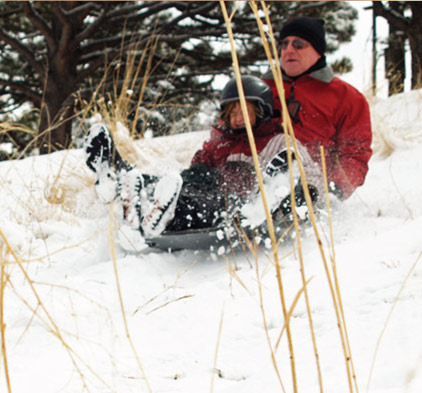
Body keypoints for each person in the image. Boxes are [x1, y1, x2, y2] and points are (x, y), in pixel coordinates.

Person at [85, 75, 323, 239]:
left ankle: (267, 200)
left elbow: (312, 177)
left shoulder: (280, 142)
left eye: (245, 110)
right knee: (191, 180)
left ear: (261, 111)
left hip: (239, 207)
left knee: (213, 197)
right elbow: (191, 178)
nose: (238, 117)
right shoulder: (219, 143)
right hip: (207, 197)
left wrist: (304, 194)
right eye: (233, 112)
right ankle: (121, 178)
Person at [264, 16, 372, 198]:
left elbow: (355, 153)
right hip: (254, 187)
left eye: (298, 44)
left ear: (318, 51)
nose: (288, 50)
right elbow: (227, 136)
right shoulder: (257, 90)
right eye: (284, 44)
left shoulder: (347, 98)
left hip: (312, 192)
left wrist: (335, 189)